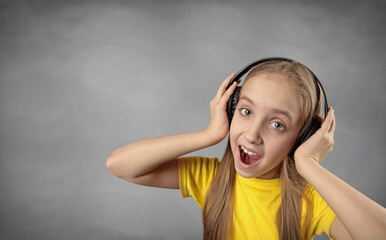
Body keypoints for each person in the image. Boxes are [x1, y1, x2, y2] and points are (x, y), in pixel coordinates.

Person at [106, 58, 386, 240]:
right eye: (246, 111)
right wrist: (209, 135)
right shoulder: (211, 179)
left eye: (277, 124)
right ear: (229, 110)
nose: (252, 134)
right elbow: (119, 165)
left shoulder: (313, 199)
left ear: (302, 137)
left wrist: (309, 163)